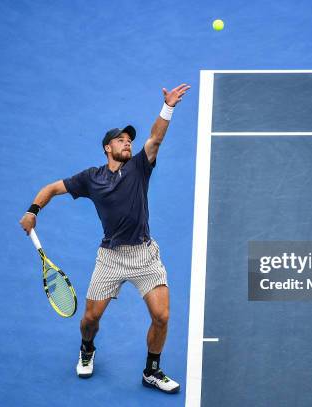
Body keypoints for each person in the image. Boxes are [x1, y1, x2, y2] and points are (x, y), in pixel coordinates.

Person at [19, 83, 191, 394]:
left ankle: (152, 371)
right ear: (106, 148)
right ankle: (87, 348)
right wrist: (33, 211)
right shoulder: (91, 178)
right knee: (89, 320)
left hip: (144, 255)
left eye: (129, 141)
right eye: (120, 140)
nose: (128, 144)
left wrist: (168, 107)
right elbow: (52, 188)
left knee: (162, 316)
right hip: (110, 258)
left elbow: (156, 138)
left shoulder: (140, 167)